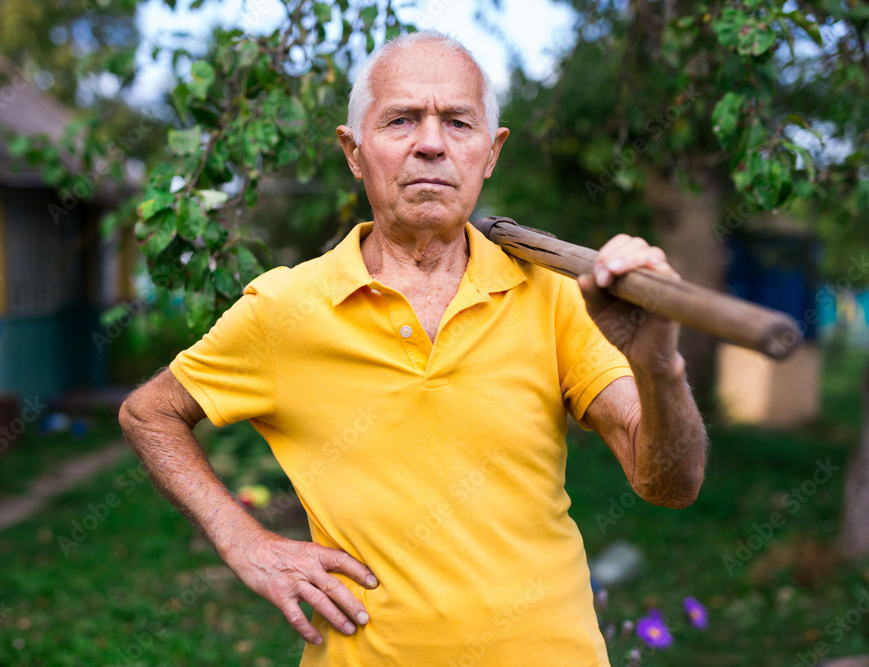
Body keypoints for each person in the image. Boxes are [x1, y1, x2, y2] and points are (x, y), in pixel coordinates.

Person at [119, 29, 708, 666]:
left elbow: (670, 484)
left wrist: (659, 367)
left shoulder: (553, 296)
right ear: (353, 151)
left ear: (491, 152)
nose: (431, 143)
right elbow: (149, 412)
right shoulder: (284, 309)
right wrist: (242, 539)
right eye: (401, 120)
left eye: (458, 122)